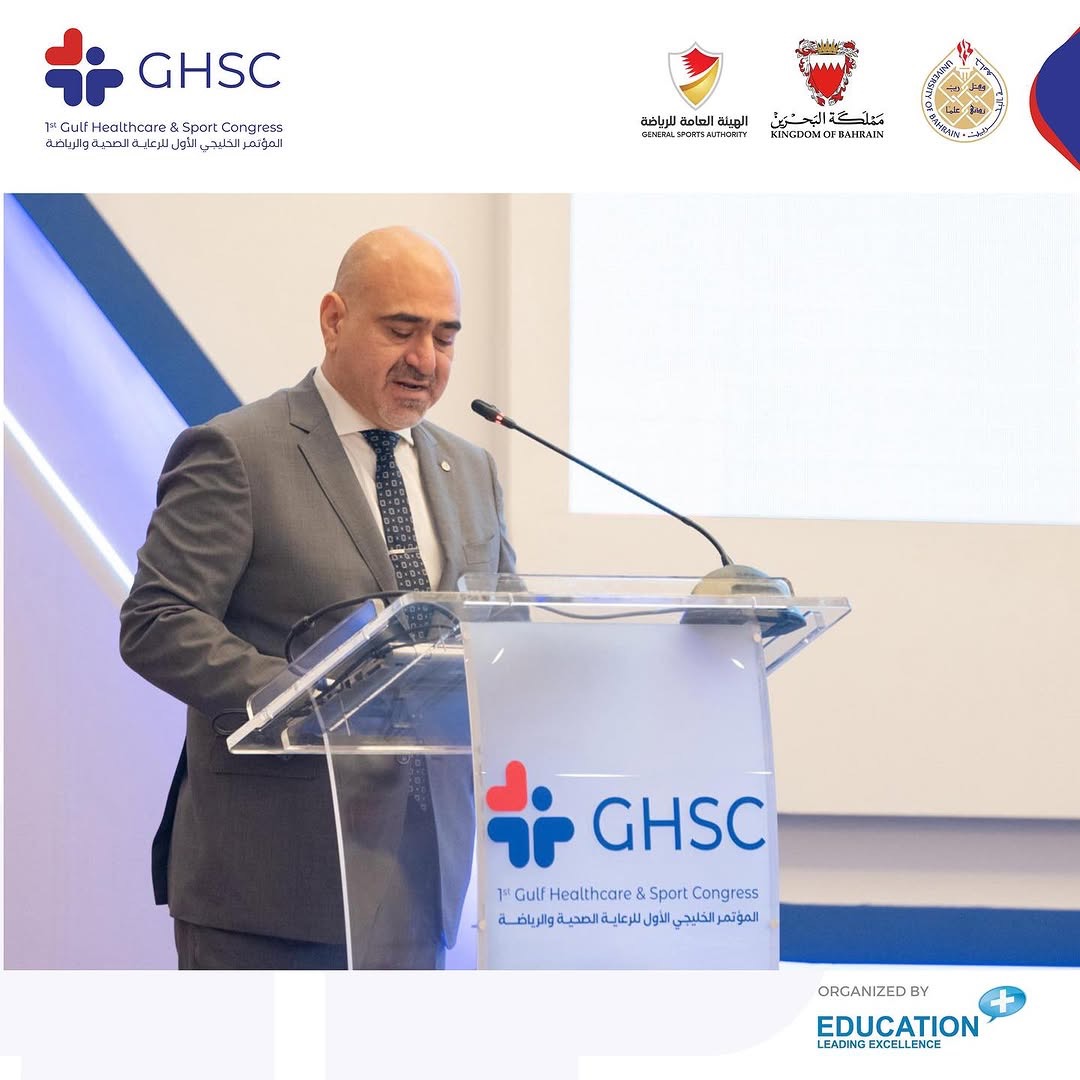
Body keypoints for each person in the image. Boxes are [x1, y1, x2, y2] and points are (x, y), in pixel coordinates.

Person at [120, 226, 515, 969]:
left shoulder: (472, 470)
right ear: (334, 319)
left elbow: (505, 629)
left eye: (445, 337)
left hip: (422, 878)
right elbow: (157, 621)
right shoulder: (237, 451)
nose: (425, 360)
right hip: (269, 885)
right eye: (401, 329)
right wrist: (312, 699)